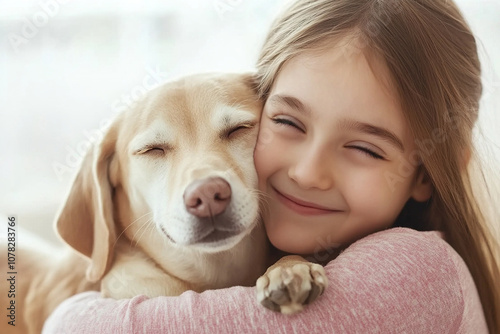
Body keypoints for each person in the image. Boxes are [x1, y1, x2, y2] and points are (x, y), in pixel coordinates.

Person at [43, 0, 500, 333]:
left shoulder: (416, 269)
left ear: (427, 173)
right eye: (286, 122)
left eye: (365, 148)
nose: (306, 173)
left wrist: (65, 313)